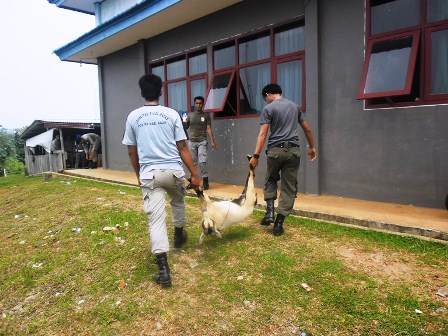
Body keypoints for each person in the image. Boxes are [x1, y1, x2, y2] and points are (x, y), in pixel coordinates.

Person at [122, 73, 200, 288]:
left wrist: (140, 175)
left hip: (150, 174)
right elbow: (182, 147)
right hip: (174, 171)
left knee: (155, 219)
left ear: (142, 93)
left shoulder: (133, 117)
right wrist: (194, 173)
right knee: (178, 202)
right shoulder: (172, 114)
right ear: (160, 91)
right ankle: (178, 235)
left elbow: (131, 151)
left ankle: (164, 269)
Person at [249, 83, 317, 236]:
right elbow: (307, 128)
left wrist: (256, 156)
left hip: (275, 151)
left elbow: (262, 134)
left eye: (265, 98)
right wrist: (312, 147)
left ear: (267, 94)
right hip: (294, 152)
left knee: (271, 179)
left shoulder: (269, 108)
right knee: (289, 186)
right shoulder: (295, 107)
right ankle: (279, 223)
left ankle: (270, 212)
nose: (266, 101)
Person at [184, 96, 217, 190]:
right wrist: (183, 121)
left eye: (200, 103)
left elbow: (209, 129)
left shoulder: (206, 115)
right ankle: (192, 182)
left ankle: (205, 181)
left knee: (202, 161)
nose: (198, 105)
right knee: (192, 163)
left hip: (202, 141)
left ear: (202, 105)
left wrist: (212, 142)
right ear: (194, 104)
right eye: (197, 103)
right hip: (192, 142)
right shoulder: (190, 115)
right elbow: (185, 127)